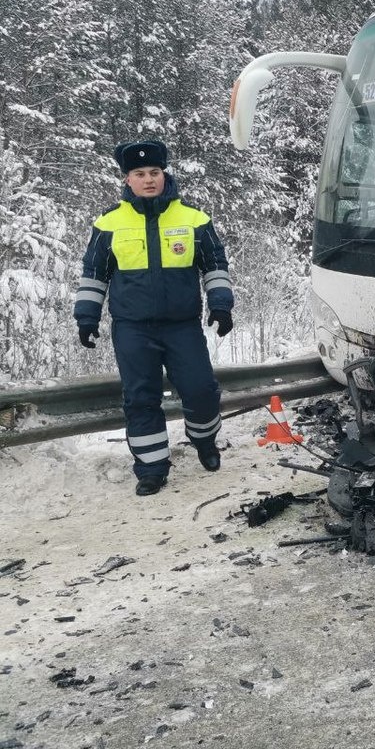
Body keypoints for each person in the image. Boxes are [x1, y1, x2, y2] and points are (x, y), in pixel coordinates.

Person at [74, 140, 234, 496]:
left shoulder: (194, 219)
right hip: (132, 329)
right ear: (127, 179)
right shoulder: (109, 223)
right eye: (140, 174)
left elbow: (215, 265)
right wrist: (86, 316)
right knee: (141, 398)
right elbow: (94, 274)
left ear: (164, 174)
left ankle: (205, 442)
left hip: (182, 326)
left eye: (155, 173)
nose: (149, 180)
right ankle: (151, 467)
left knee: (201, 390)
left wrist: (221, 305)